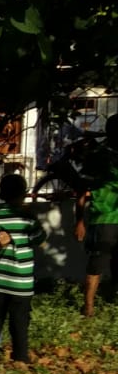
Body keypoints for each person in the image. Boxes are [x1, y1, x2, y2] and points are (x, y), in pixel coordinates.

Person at [0, 174, 46, 362]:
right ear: (25, 193)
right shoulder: (28, 217)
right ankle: (21, 356)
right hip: (21, 282)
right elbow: (42, 242)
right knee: (20, 322)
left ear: (2, 193)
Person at [73, 120, 118, 317]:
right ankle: (88, 307)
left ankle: (111, 300)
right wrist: (80, 220)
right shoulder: (99, 157)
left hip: (108, 219)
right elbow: (82, 190)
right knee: (96, 265)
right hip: (104, 218)